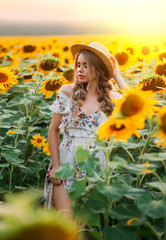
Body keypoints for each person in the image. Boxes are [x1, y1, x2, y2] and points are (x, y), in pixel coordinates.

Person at [44, 42, 128, 218]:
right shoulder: (67, 92)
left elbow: (134, 103)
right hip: (66, 163)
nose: (79, 70)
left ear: (98, 69)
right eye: (78, 65)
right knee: (66, 223)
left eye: (86, 66)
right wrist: (56, 166)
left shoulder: (111, 99)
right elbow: (53, 130)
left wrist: (117, 75)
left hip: (95, 165)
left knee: (84, 227)